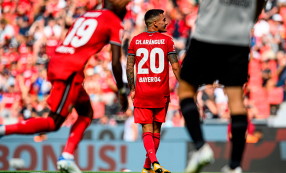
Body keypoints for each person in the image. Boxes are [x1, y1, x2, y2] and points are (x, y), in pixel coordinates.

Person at [0, 0, 130, 173]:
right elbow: (115, 63)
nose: (127, 7)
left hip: (60, 63)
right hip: (69, 70)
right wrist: (122, 91)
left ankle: (67, 156)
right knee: (53, 123)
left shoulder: (85, 15)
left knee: (86, 112)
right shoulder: (113, 20)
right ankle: (3, 130)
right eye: (125, 3)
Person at [178, 1, 266, 173]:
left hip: (208, 34)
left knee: (185, 90)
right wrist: (248, 21)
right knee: (236, 102)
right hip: (238, 39)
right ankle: (234, 166)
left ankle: (200, 147)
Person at [127, 9, 181, 173]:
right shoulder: (167, 41)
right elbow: (176, 66)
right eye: (163, 20)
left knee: (147, 131)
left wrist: (132, 88)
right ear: (155, 23)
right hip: (160, 92)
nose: (166, 22)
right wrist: (185, 86)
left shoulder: (135, 41)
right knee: (156, 131)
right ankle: (152, 164)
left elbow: (130, 67)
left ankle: (148, 166)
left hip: (143, 92)